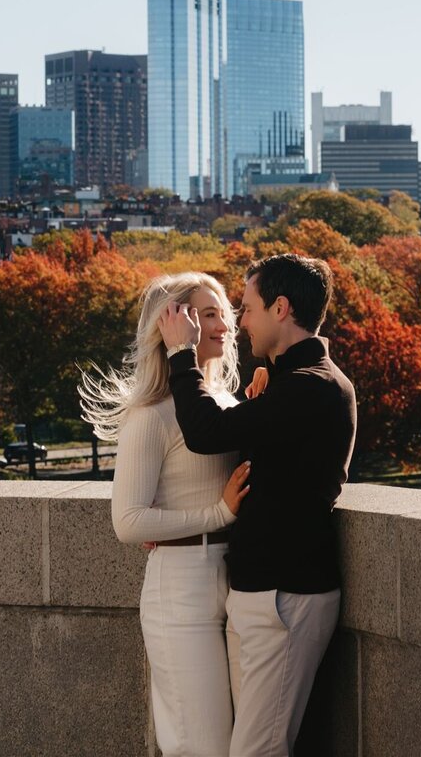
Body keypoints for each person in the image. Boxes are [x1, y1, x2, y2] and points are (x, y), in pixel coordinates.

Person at [158, 253, 357, 757]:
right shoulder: (291, 383)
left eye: (246, 308)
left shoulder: (315, 386)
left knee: (257, 752)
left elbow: (206, 433)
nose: (239, 321)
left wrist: (182, 355)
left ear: (281, 308)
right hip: (259, 594)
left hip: (285, 597)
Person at [79, 271, 261, 757]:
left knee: (244, 743)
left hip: (237, 583)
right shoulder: (152, 415)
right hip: (180, 593)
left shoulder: (223, 404)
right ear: (173, 325)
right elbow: (129, 522)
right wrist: (218, 512)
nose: (224, 324)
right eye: (207, 314)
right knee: (202, 745)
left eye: (224, 311)